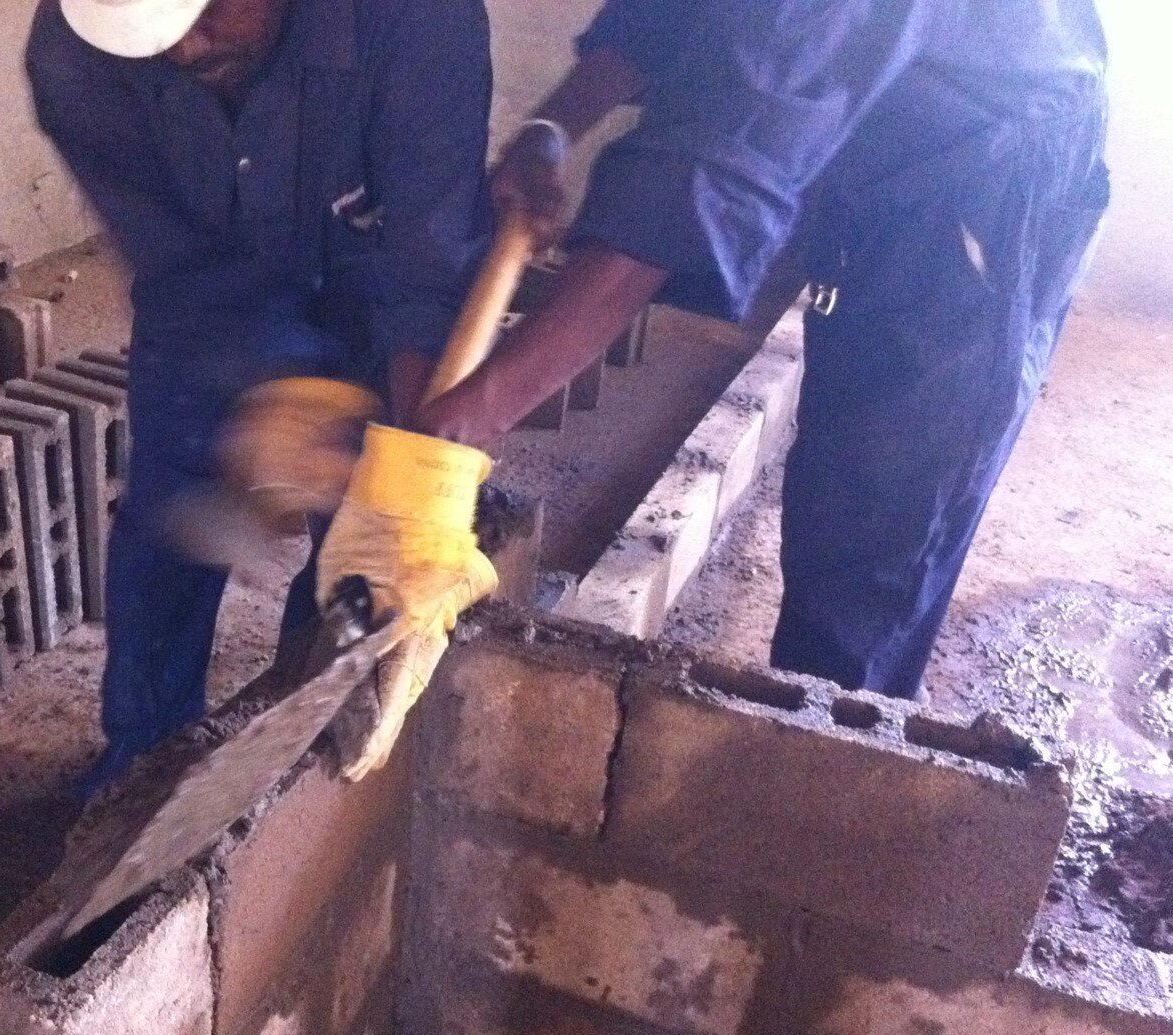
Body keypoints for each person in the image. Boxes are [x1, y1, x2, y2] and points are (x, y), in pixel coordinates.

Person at [416, 0, 1111, 699]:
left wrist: (482, 410)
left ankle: (829, 735)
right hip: (902, 133)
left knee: (878, 519)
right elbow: (663, 16)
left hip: (984, 182)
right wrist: (553, 129)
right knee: (841, 463)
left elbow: (705, 175)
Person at [25, 0, 493, 791]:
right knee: (169, 524)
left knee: (357, 557)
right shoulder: (78, 44)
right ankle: (143, 764)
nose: (185, 48)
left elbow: (425, 266)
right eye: (156, 38)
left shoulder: (417, 19)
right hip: (201, 299)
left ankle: (302, 748)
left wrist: (407, 476)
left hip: (364, 290)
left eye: (207, 11)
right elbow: (166, 248)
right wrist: (275, 379)